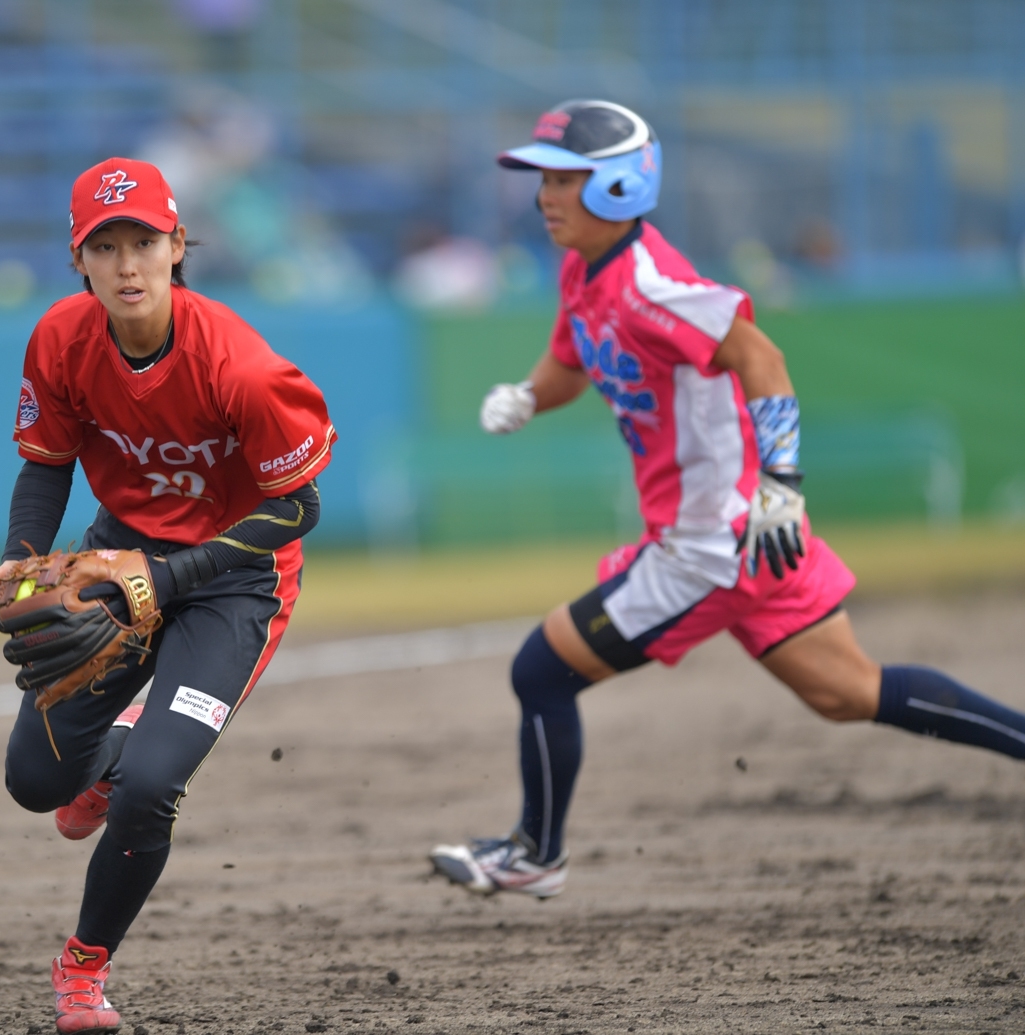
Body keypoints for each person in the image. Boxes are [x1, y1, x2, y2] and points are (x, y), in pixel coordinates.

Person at [429, 99, 1025, 900]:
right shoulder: (582, 269)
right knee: (848, 691)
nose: (544, 196)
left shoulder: (654, 286)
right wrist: (530, 395)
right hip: (741, 535)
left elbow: (762, 360)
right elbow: (572, 358)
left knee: (541, 670)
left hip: (712, 542)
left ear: (616, 186)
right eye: (542, 179)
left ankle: (535, 856)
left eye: (563, 180)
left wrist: (783, 484)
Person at [0, 157, 336, 1034]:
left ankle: (82, 969)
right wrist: (23, 563)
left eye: (142, 241)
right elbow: (46, 467)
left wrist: (166, 579)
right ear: (79, 260)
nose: (126, 264)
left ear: (178, 246)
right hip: (117, 556)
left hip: (235, 578)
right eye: (105, 247)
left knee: (149, 786)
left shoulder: (238, 367)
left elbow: (297, 507)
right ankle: (111, 756)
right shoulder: (61, 340)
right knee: (36, 782)